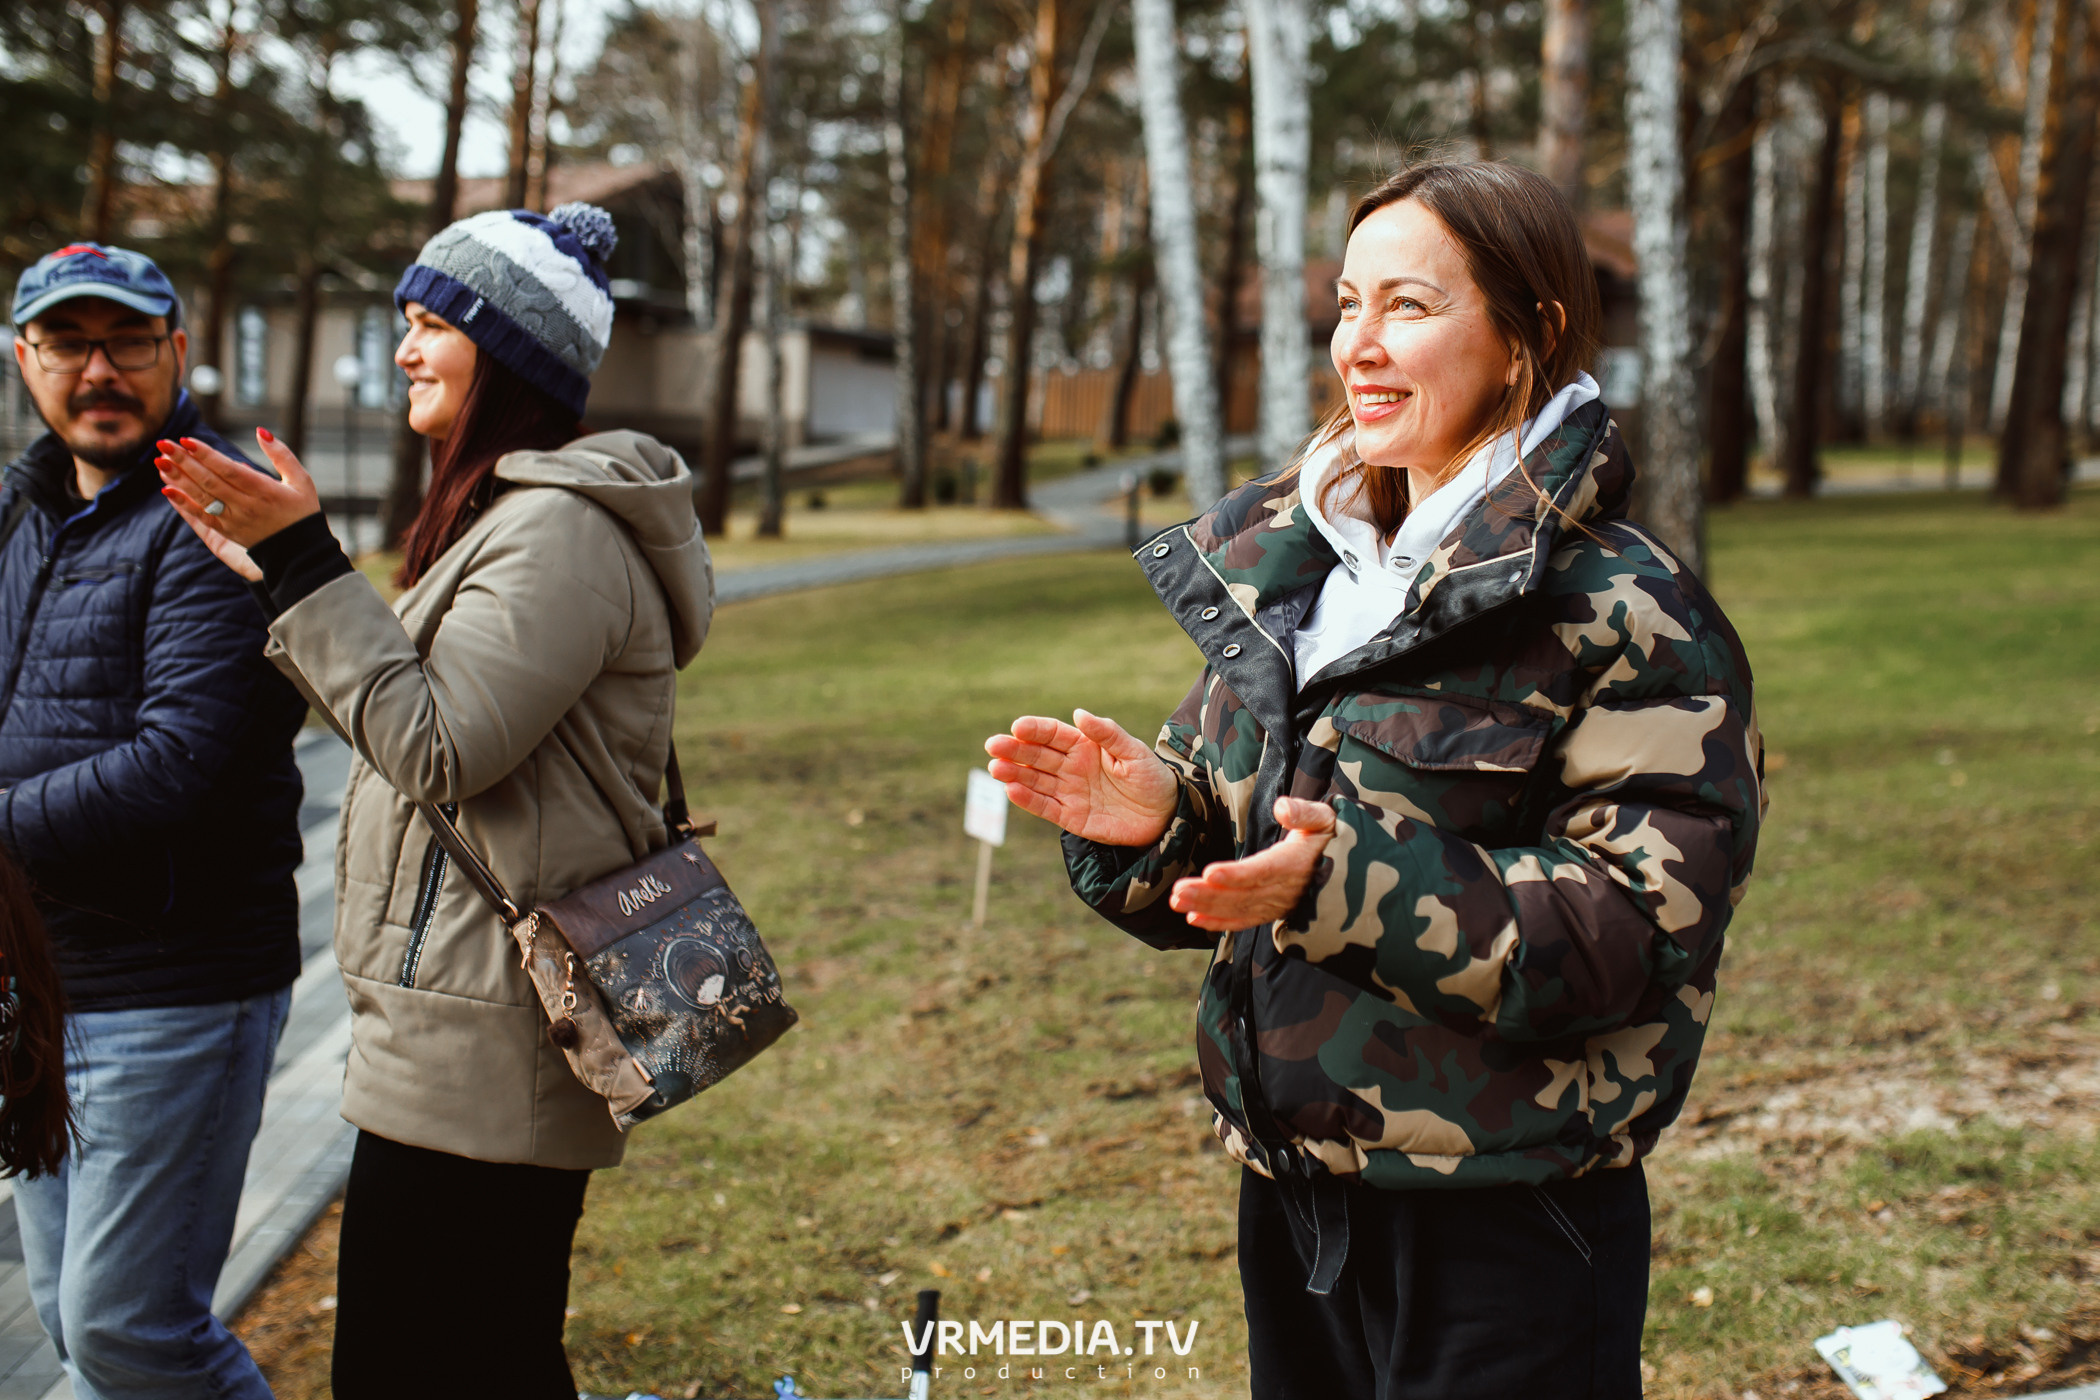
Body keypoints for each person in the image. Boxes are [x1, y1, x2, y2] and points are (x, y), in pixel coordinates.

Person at [986, 161, 1765, 1398]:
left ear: (1526, 337)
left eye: (1409, 305)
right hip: (1297, 1203)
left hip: (1511, 1219)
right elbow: (1245, 848)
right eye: (1349, 304)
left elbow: (1631, 931)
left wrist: (1336, 884)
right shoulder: (1311, 575)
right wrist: (1162, 820)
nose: (1359, 344)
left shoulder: (1628, 611)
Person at [154, 201, 712, 1398]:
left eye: (429, 324)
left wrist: (307, 561)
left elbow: (440, 747)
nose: (404, 348)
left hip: (492, 1040)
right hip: (454, 1025)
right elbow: (404, 725)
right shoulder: (511, 517)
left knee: (429, 1365)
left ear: (505, 348)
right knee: (478, 1360)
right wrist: (279, 581)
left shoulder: (560, 532)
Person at [4, 242, 307, 1397]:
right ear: (24, 360)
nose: (99, 370)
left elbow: (178, 762)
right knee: (71, 1321)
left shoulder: (211, 510)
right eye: (67, 343)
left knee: (130, 1328)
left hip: (175, 982)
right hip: (44, 981)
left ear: (177, 350)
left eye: (127, 340)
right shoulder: (24, 511)